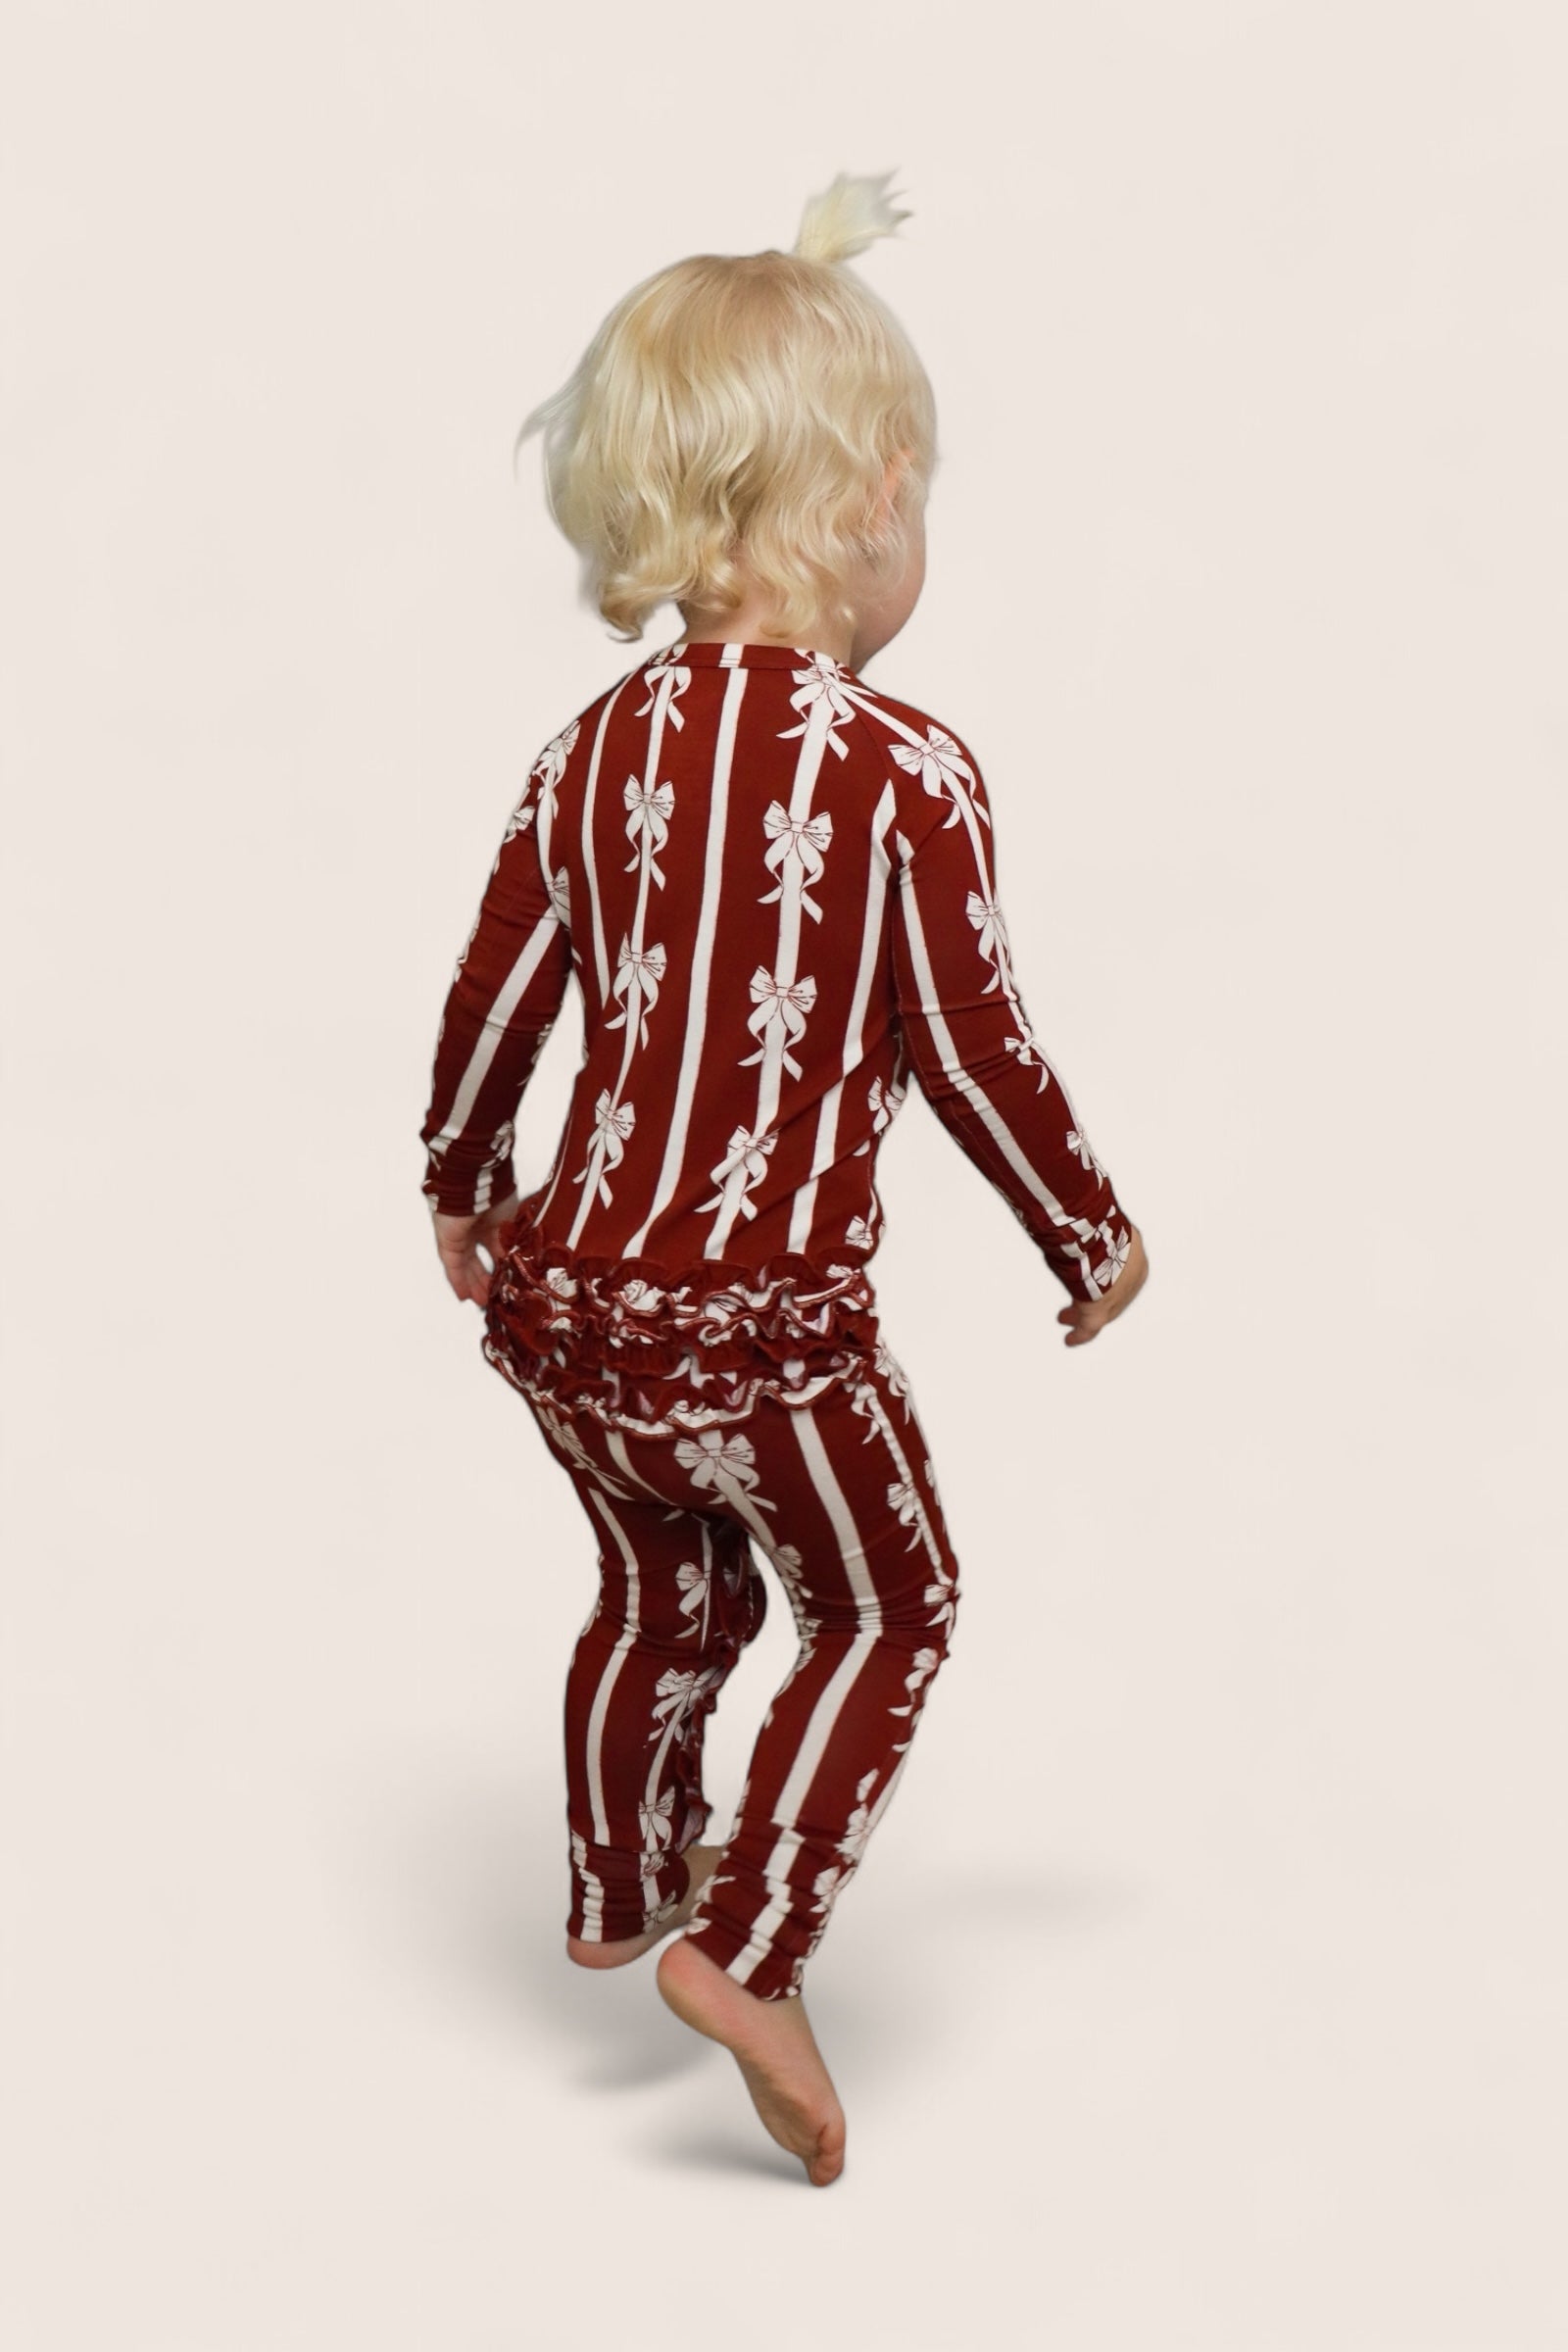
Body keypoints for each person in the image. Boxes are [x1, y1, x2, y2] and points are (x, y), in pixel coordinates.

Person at [417, 168, 1150, 2188]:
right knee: (886, 1600)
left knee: (663, 1578)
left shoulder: (585, 759)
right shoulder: (899, 772)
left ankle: (612, 1885)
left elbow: (495, 994)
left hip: (567, 1308)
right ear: (869, 504)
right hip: (761, 1334)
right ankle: (745, 1952)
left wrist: (461, 1183)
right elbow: (971, 1047)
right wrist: (1086, 1235)